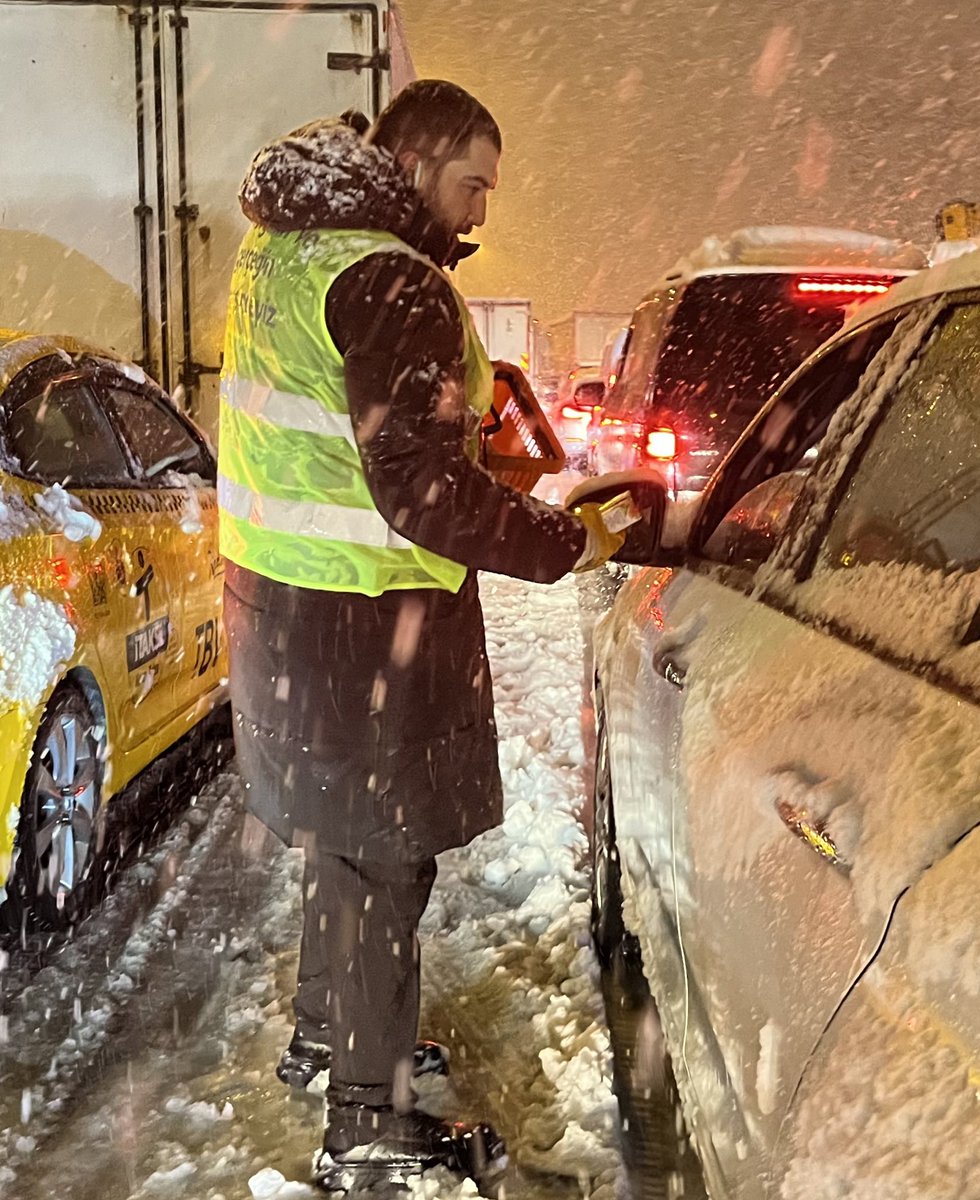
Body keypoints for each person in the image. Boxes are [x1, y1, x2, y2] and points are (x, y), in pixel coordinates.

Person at [218, 80, 624, 1191]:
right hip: (364, 611)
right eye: (473, 181)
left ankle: (329, 1033)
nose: (483, 210)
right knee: (382, 859)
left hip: (287, 602)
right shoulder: (391, 278)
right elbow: (422, 492)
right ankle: (367, 1120)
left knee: (341, 844)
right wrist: (558, 542)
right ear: (418, 161)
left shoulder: (289, 250)